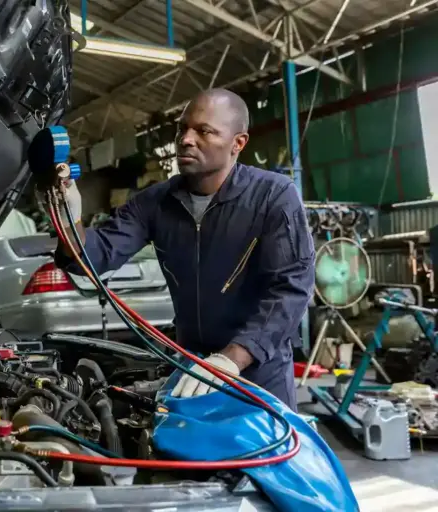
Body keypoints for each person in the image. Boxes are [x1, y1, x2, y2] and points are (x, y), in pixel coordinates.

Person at [50, 88, 315, 411]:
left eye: (204, 131)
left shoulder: (273, 197)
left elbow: (292, 288)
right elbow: (94, 255)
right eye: (182, 129)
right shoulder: (156, 202)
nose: (186, 139)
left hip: (258, 371)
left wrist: (233, 357)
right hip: (191, 367)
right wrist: (68, 216)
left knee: (259, 459)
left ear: (238, 143)